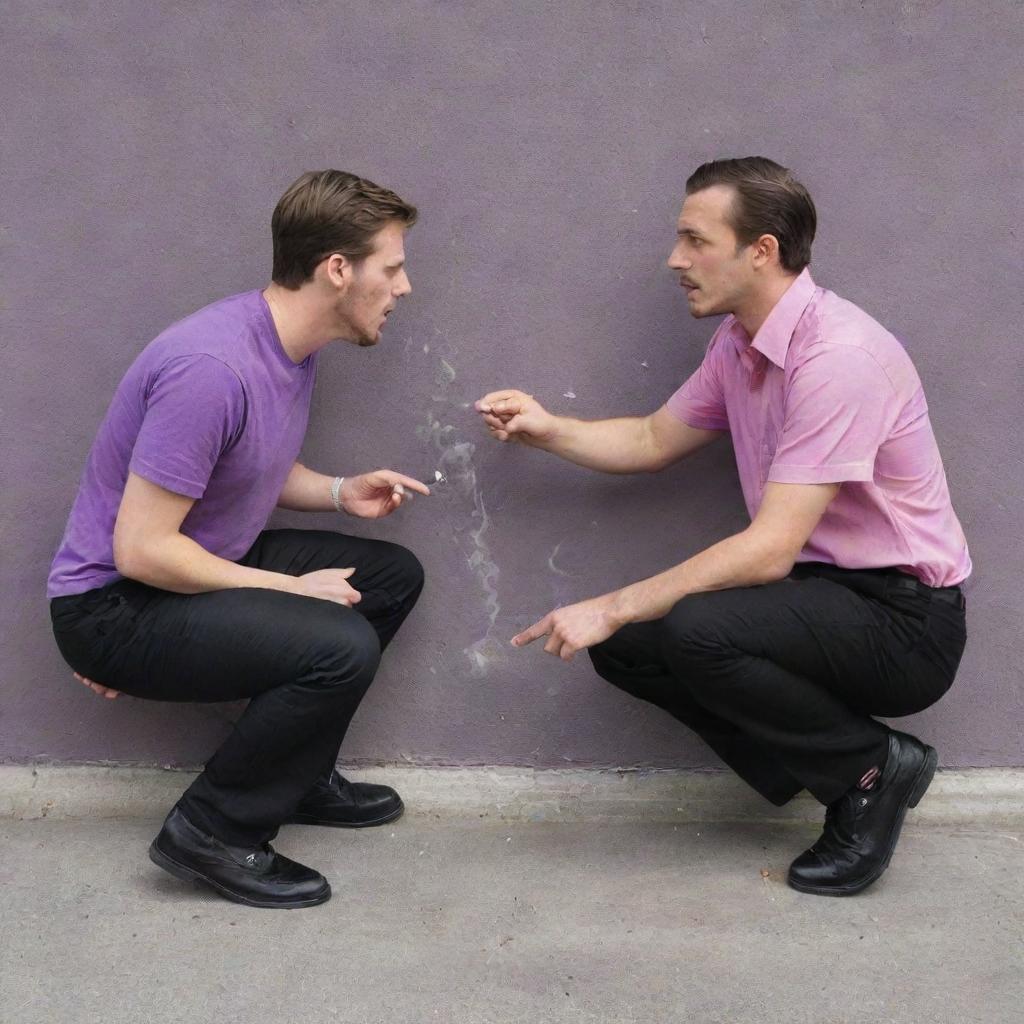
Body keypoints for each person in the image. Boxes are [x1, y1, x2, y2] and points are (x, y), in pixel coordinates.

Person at [475, 157, 970, 896]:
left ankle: (869, 771)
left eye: (695, 240)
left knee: (685, 628)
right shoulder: (740, 344)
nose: (675, 260)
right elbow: (650, 440)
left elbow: (770, 550)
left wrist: (607, 605)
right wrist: (547, 429)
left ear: (761, 251)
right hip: (826, 594)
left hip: (904, 619)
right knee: (633, 648)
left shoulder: (838, 357)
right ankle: (833, 766)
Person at [48, 170, 429, 909]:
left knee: (388, 576)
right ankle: (213, 831)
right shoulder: (212, 368)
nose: (404, 287)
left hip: (187, 570)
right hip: (115, 606)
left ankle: (293, 774)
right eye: (394, 267)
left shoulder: (286, 346)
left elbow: (249, 464)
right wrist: (294, 591)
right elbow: (141, 550)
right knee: (337, 642)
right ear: (338, 270)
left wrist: (338, 492)